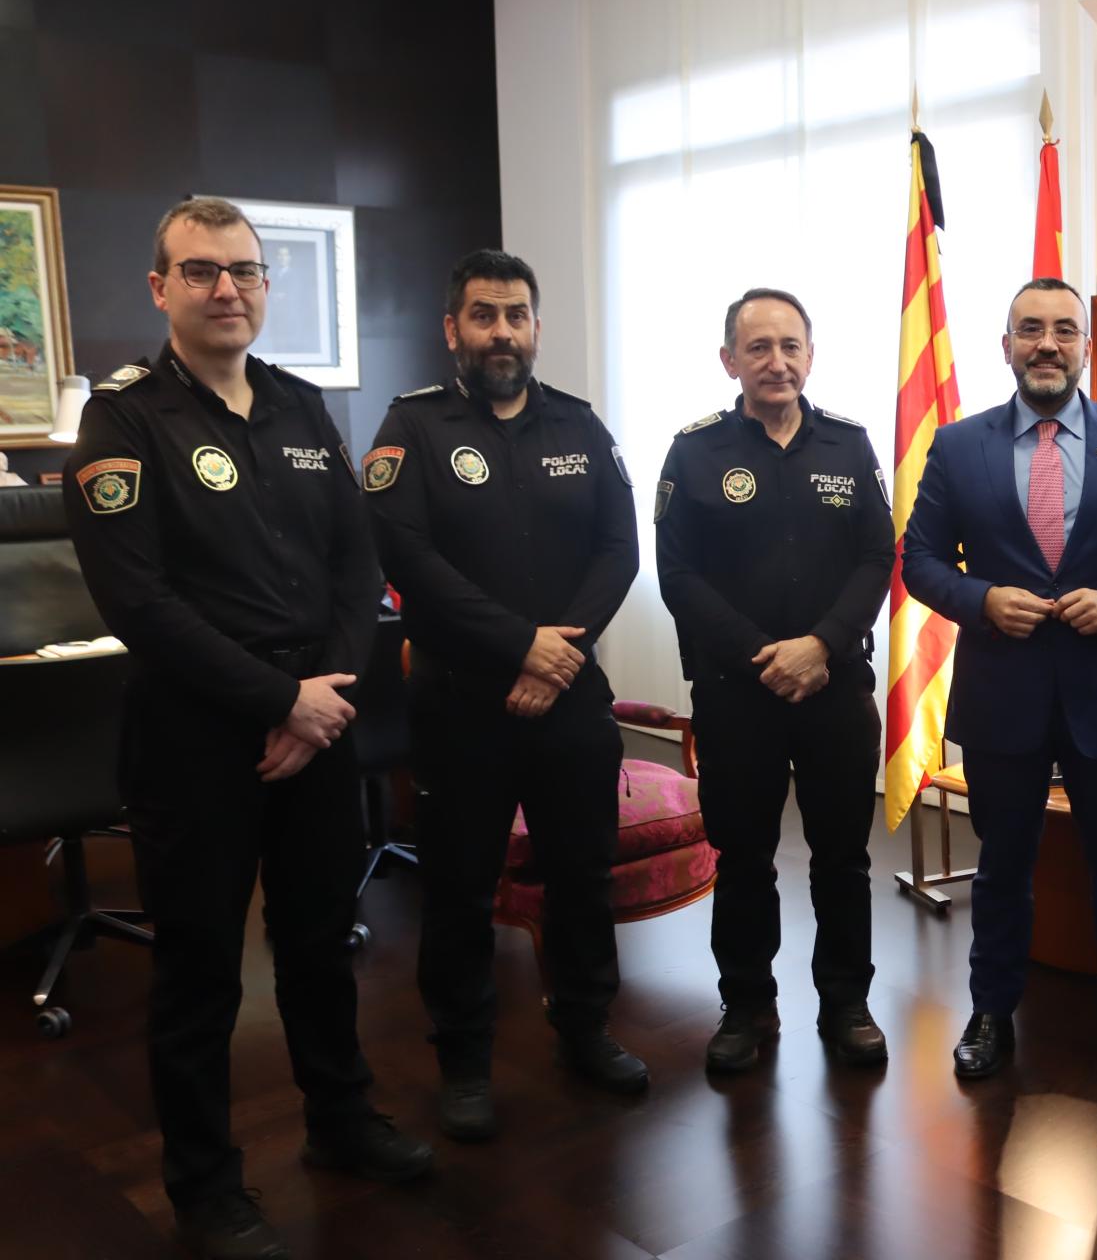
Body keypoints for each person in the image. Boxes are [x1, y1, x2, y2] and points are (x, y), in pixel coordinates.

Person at [62, 197, 432, 1260]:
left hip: (318, 722)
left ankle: (341, 1120)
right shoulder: (125, 420)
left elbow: (358, 566)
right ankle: (206, 1187)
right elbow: (139, 603)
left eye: (245, 270)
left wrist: (324, 699)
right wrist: (280, 702)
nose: (226, 288)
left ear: (267, 285)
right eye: (201, 270)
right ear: (160, 288)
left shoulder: (303, 407)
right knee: (200, 970)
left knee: (320, 941)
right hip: (196, 736)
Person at [363, 250, 646, 1145]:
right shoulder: (412, 427)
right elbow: (408, 559)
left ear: (535, 327)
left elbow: (619, 550)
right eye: (483, 316)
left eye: (516, 315)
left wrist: (558, 654)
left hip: (570, 700)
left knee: (582, 877)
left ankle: (586, 1029)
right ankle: (463, 1061)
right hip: (461, 707)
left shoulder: (579, 424)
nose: (501, 332)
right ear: (453, 329)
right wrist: (521, 644)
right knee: (458, 888)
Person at [902, 277, 1097, 1087]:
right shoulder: (958, 446)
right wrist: (981, 600)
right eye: (1030, 329)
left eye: (1064, 330)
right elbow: (919, 559)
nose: (1047, 344)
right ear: (1006, 346)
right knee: (1002, 869)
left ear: (1085, 348)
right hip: (1003, 697)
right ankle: (991, 1013)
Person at [655, 288, 895, 1072]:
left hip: (835, 688)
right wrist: (766, 654)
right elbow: (678, 576)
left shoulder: (849, 446)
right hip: (737, 693)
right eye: (758, 347)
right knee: (744, 859)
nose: (776, 362)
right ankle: (746, 1005)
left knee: (844, 858)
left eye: (791, 346)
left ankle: (846, 1001)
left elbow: (878, 557)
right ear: (730, 360)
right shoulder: (694, 452)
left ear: (811, 356)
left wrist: (820, 646)